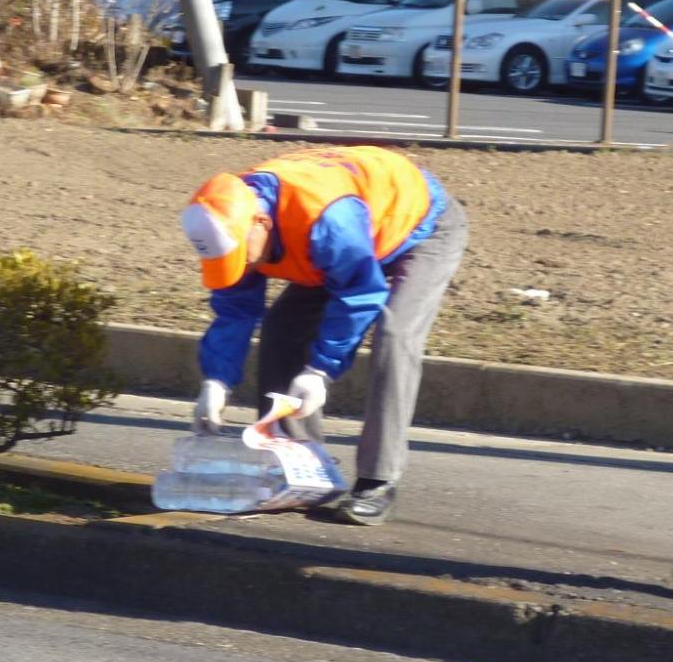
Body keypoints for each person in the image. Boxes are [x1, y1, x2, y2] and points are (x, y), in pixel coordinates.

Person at [180, 145, 467, 525]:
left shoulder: (324, 218)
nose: (244, 265)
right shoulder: (229, 223)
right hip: (346, 239)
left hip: (417, 227)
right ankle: (304, 469)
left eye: (243, 255)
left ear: (261, 224)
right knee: (283, 328)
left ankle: (377, 480)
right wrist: (216, 380)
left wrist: (320, 371)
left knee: (396, 335)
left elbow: (361, 293)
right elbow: (235, 309)